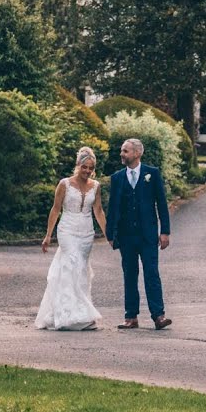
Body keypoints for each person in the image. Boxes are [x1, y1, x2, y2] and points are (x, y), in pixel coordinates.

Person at [35, 146, 107, 331]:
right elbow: (55, 209)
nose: (87, 171)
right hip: (67, 230)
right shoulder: (64, 184)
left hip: (86, 232)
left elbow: (98, 211)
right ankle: (65, 314)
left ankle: (82, 314)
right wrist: (48, 235)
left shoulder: (96, 186)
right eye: (85, 167)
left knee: (81, 269)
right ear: (78, 165)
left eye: (91, 168)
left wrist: (108, 234)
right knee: (70, 265)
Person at [105, 138, 172, 330]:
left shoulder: (152, 173)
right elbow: (113, 207)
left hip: (148, 234)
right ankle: (131, 317)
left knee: (151, 273)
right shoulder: (117, 177)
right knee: (130, 274)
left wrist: (165, 231)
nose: (122, 154)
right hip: (126, 236)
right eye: (122, 151)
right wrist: (111, 233)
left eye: (125, 151)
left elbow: (162, 204)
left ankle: (159, 316)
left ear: (137, 153)